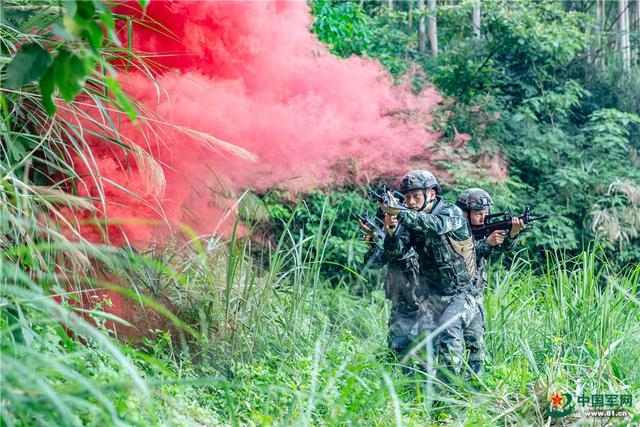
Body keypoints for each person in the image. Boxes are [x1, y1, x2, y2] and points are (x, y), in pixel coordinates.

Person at [380, 170, 478, 376]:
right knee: (426, 346)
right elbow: (395, 253)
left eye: (416, 196)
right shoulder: (410, 220)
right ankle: (428, 396)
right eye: (407, 197)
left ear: (431, 194)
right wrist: (391, 230)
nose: (411, 202)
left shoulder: (450, 213)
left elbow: (436, 225)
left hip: (462, 293)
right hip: (432, 296)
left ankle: (453, 392)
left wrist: (400, 213)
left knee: (449, 333)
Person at [455, 188, 525, 377]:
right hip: (453, 297)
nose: (483, 218)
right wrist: (487, 243)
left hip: (476, 295)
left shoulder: (481, 229)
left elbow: (504, 249)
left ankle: (475, 386)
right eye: (478, 214)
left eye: (486, 214)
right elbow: (459, 256)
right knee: (452, 346)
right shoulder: (453, 230)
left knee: (476, 344)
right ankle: (451, 388)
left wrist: (512, 235)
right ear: (464, 213)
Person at [360, 212, 420, 360]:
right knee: (396, 347)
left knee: (422, 348)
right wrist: (374, 243)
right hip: (401, 300)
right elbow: (374, 263)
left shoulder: (417, 228)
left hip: (425, 297)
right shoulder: (388, 236)